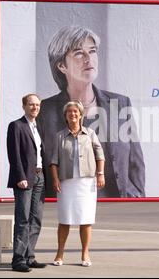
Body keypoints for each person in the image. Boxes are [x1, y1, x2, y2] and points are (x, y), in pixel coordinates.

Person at [37, 25, 145, 198]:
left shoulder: (120, 103)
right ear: (61, 66)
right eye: (79, 53)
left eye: (92, 51)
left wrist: (138, 196)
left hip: (119, 207)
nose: (89, 59)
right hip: (69, 203)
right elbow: (41, 163)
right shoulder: (45, 111)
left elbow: (135, 161)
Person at [50, 100, 105, 267]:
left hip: (87, 182)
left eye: (76, 112)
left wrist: (100, 174)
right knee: (64, 219)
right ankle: (59, 254)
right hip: (66, 183)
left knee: (85, 219)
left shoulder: (90, 133)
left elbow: (100, 155)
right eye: (69, 112)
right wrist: (55, 178)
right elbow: (53, 161)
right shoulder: (59, 135)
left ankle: (85, 254)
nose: (73, 114)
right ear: (65, 116)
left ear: (81, 115)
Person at [6, 93, 47, 272]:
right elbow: (14, 155)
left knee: (36, 219)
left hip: (40, 177)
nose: (35, 108)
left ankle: (30, 257)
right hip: (24, 178)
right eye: (31, 105)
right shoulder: (16, 126)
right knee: (23, 220)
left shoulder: (38, 127)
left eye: (37, 105)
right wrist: (20, 176)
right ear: (24, 106)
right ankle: (18, 260)